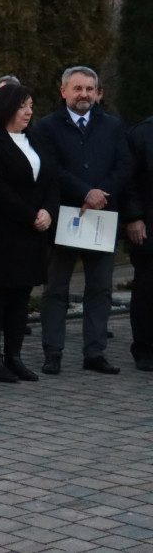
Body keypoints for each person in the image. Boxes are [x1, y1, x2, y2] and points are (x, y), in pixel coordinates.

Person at [32, 66, 132, 375]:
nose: (84, 94)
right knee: (56, 290)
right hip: (65, 217)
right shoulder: (46, 127)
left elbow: (124, 164)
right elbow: (49, 168)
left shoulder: (113, 125)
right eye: (77, 88)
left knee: (100, 289)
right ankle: (53, 352)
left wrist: (103, 193)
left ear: (98, 92)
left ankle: (95, 353)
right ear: (63, 91)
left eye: (89, 89)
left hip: (101, 219)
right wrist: (84, 191)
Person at [0, 84, 56, 383]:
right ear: (7, 107)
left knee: (21, 296)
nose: (29, 112)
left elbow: (50, 179)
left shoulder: (36, 139)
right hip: (3, 232)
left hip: (34, 232)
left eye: (31, 105)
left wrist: (48, 210)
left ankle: (14, 356)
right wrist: (30, 215)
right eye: (23, 106)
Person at [124, 115, 153, 371]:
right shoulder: (141, 133)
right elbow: (129, 180)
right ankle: (144, 349)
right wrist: (134, 217)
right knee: (147, 288)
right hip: (148, 226)